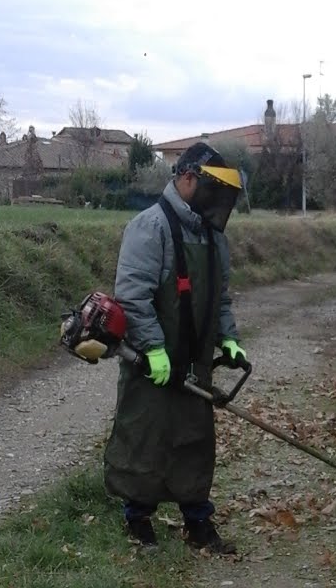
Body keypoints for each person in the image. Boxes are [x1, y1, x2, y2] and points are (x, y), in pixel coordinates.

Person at [103, 142, 249, 552]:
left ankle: (198, 521)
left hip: (195, 363)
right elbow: (133, 295)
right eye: (213, 190)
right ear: (187, 179)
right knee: (145, 436)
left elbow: (219, 298)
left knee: (194, 441)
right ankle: (138, 518)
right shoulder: (150, 227)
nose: (218, 201)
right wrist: (152, 348)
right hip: (151, 362)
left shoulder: (213, 236)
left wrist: (229, 339)